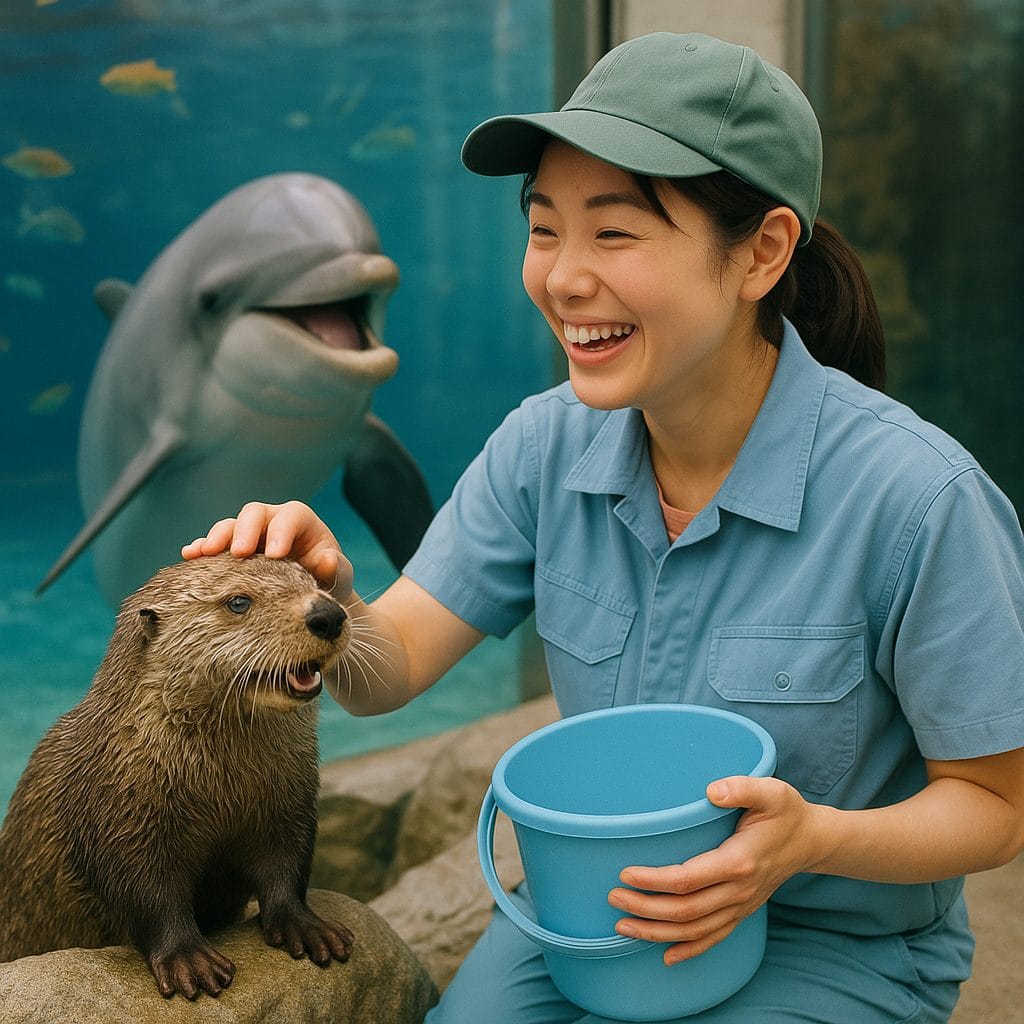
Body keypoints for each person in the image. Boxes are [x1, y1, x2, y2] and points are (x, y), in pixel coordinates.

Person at [182, 31, 1024, 1024]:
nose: (563, 279)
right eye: (544, 229)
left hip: (832, 939)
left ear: (761, 252)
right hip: (587, 921)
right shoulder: (543, 446)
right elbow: (390, 667)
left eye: (614, 233)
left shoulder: (918, 498)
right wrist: (316, 600)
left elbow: (996, 805)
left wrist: (809, 840)